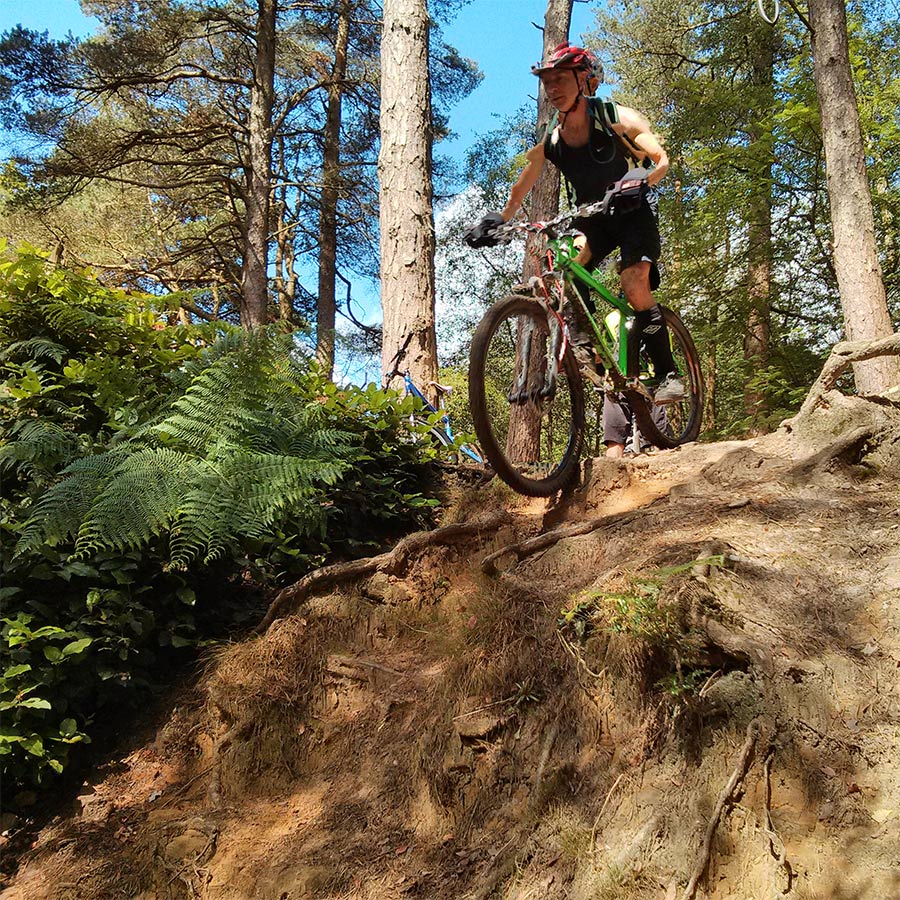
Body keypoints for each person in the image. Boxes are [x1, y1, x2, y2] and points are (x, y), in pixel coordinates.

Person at [465, 41, 684, 404]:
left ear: (586, 81)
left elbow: (659, 156)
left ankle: (668, 374)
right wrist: (499, 218)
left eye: (561, 79)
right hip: (592, 218)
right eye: (548, 82)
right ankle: (587, 346)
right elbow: (526, 178)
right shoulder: (553, 136)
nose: (553, 89)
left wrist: (641, 180)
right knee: (566, 263)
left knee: (633, 286)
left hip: (632, 214)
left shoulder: (614, 116)